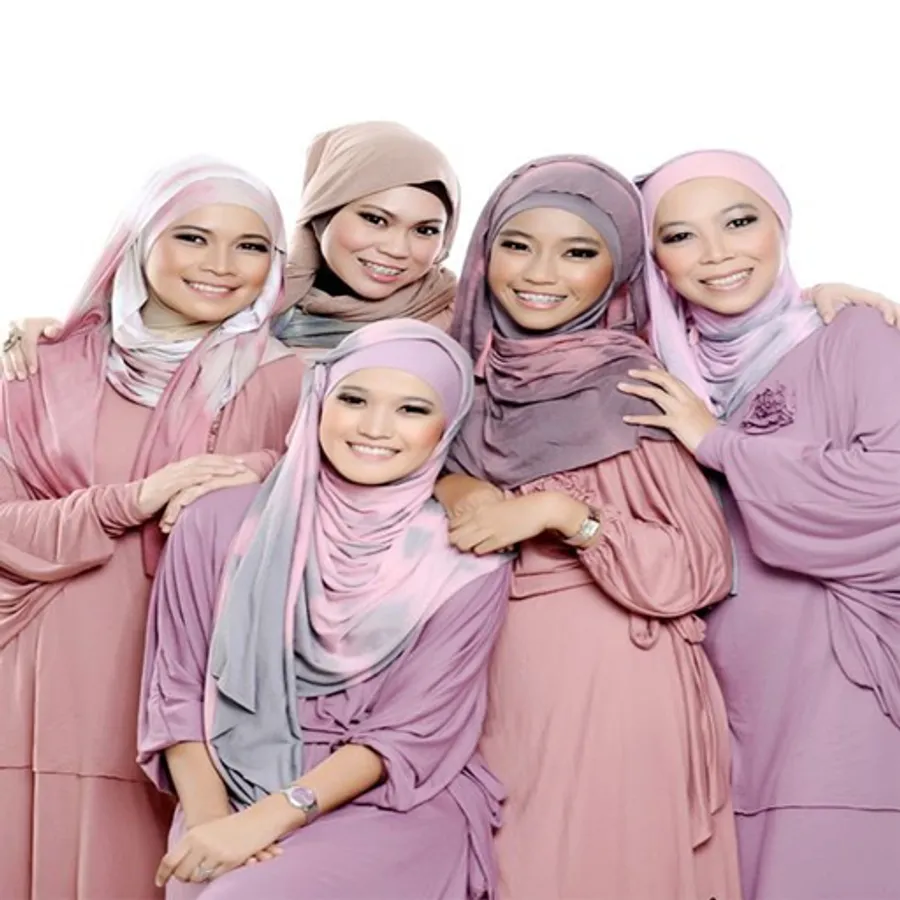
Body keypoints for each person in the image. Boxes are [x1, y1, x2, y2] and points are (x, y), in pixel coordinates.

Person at [436, 155, 741, 899]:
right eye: (517, 245)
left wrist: (563, 514)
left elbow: (700, 567)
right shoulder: (459, 378)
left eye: (578, 252)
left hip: (613, 685)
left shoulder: (627, 386)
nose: (541, 273)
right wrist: (448, 483)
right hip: (488, 686)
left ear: (619, 272)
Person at [0, 157, 305, 900]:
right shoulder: (39, 366)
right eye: (192, 237)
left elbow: (337, 507)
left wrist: (264, 466)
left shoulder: (293, 380)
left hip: (192, 695)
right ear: (138, 240)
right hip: (36, 683)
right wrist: (131, 499)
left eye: (250, 245)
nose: (220, 265)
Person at [137, 319, 512, 899]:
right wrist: (212, 823)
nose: (374, 428)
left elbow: (409, 731)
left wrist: (268, 820)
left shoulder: (466, 554)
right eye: (353, 399)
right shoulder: (218, 521)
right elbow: (177, 690)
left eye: (412, 409)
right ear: (319, 400)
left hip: (387, 800)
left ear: (446, 427)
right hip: (227, 784)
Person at [621, 149, 900, 900]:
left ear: (780, 225)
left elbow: (892, 490)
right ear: (654, 260)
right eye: (679, 236)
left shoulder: (853, 335)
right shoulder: (654, 365)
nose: (717, 254)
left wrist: (718, 444)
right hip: (709, 698)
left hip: (836, 685)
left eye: (740, 221)